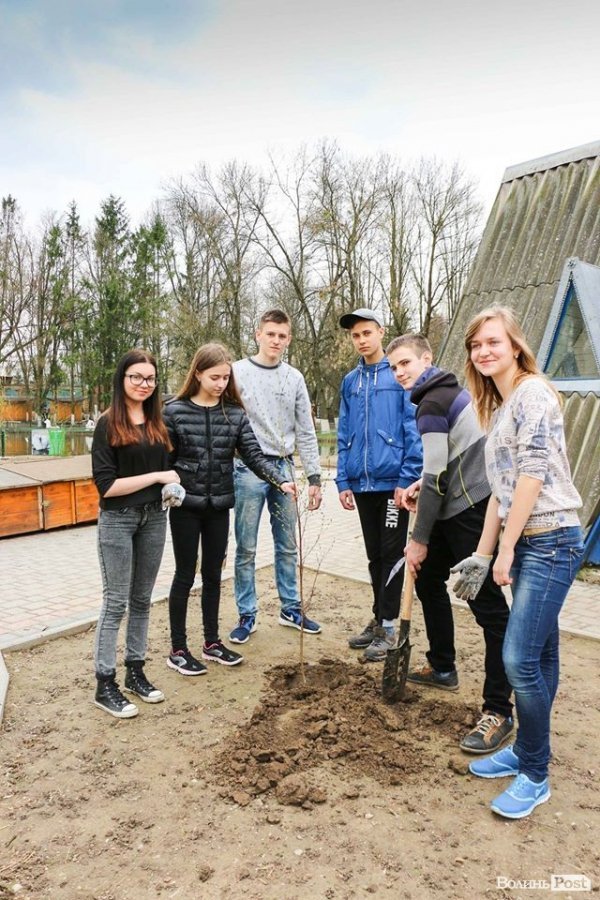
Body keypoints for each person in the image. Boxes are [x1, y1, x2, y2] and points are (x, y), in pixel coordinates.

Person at [456, 306, 583, 819]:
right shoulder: (502, 404)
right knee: (540, 657)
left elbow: (531, 477)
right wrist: (482, 555)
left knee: (518, 661)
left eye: (492, 341)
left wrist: (506, 551)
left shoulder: (532, 393)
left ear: (515, 344)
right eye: (475, 345)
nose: (483, 351)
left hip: (550, 539)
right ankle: (528, 753)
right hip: (528, 541)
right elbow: (499, 494)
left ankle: (535, 775)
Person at [386, 333, 513, 753]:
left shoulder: (431, 404)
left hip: (470, 509)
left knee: (489, 608)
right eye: (393, 367)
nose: (399, 372)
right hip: (454, 500)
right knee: (426, 581)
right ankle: (442, 666)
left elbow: (442, 477)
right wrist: (418, 485)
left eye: (406, 363)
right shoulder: (446, 392)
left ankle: (499, 710)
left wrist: (419, 539)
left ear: (428, 359)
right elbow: (441, 467)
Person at [163, 342, 297, 673]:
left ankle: (211, 642)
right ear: (197, 374)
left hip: (219, 506)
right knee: (184, 574)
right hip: (185, 506)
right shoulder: (174, 411)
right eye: (215, 377)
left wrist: (279, 480)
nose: (221, 384)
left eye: (226, 377)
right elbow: (164, 460)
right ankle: (178, 648)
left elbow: (252, 453)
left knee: (213, 574)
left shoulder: (234, 414)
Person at [92, 349, 181, 719]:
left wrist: (171, 487)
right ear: (122, 380)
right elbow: (106, 486)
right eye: (136, 377)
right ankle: (104, 682)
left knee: (143, 600)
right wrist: (159, 477)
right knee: (116, 602)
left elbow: (170, 470)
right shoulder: (108, 423)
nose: (144, 384)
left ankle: (136, 672)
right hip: (118, 520)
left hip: (155, 518)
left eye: (150, 378)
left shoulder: (158, 422)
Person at [228, 309, 322, 644]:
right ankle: (247, 613)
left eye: (282, 336)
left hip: (283, 467)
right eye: (271, 334)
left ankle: (291, 607)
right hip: (247, 468)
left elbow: (306, 430)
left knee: (287, 544)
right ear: (258, 334)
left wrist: (313, 477)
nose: (276, 341)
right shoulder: (236, 373)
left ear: (289, 339)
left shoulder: (294, 378)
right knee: (247, 546)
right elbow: (225, 422)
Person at [336, 308, 422, 661]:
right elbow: (344, 432)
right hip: (362, 483)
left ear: (380, 332)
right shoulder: (350, 382)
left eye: (367, 333)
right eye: (355, 335)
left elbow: (412, 428)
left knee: (392, 554)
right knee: (374, 555)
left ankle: (390, 626)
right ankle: (379, 617)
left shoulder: (397, 376)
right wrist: (343, 478)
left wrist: (407, 477)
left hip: (392, 485)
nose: (361, 340)